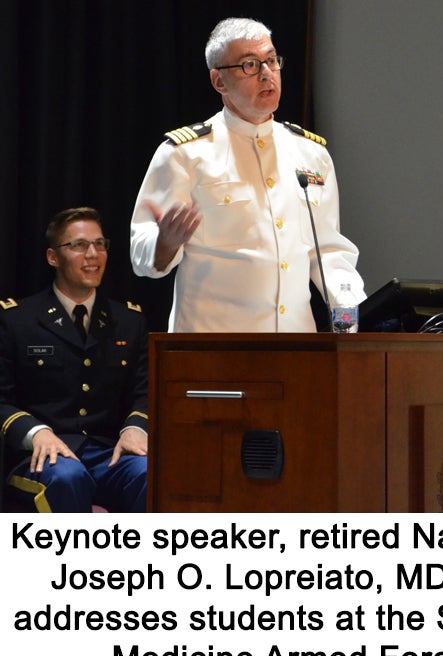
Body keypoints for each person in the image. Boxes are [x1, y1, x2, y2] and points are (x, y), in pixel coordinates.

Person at [130, 17, 365, 333]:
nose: (267, 74)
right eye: (249, 65)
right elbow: (141, 250)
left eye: (271, 60)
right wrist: (164, 244)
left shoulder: (311, 154)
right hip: (213, 349)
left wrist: (347, 312)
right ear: (219, 81)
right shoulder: (186, 154)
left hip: (296, 348)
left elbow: (328, 249)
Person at [0, 207, 148, 512]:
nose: (93, 254)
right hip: (41, 457)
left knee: (147, 472)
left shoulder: (128, 321)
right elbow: (2, 398)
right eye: (79, 245)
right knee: (68, 477)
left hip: (110, 452)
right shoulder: (17, 320)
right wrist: (35, 432)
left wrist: (136, 427)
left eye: (100, 244)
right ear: (53, 257)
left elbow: (144, 392)